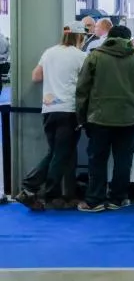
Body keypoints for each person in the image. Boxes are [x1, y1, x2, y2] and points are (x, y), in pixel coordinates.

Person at [75, 25, 134, 212]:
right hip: (128, 117)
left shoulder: (95, 56)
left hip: (99, 118)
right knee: (123, 160)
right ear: (129, 39)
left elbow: (82, 89)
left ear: (108, 38)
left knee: (97, 160)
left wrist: (82, 117)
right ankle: (118, 198)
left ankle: (94, 200)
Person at [15, 21, 88, 211]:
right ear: (80, 37)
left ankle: (57, 195)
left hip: (49, 109)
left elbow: (36, 76)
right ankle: (30, 187)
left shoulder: (49, 52)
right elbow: (88, 82)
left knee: (55, 152)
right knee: (60, 154)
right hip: (68, 109)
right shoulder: (81, 56)